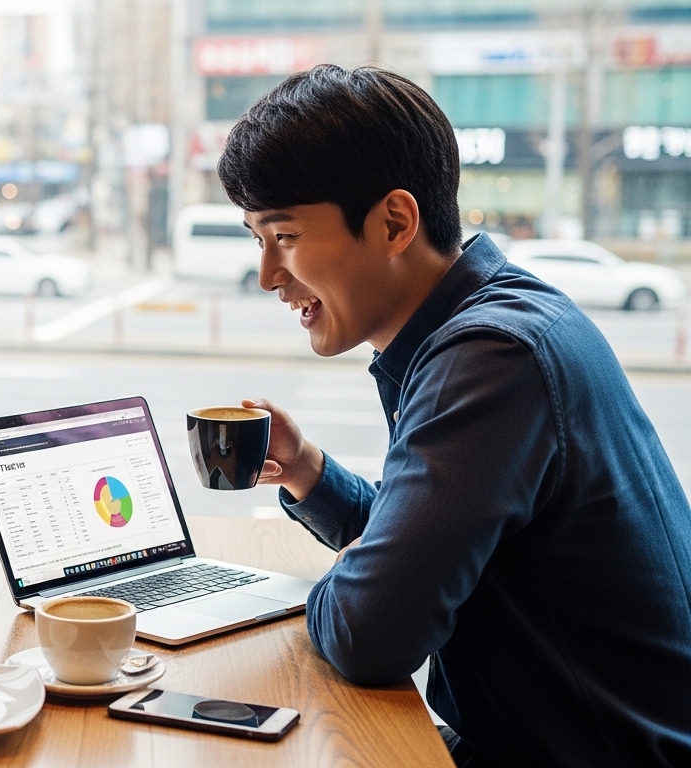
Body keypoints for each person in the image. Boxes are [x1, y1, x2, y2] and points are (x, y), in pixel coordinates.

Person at [217, 65, 691, 767]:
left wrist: (340, 590)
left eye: (283, 234)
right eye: (256, 238)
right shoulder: (494, 319)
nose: (268, 275)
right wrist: (311, 476)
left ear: (394, 222)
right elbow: (433, 546)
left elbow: (373, 634)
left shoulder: (492, 357)